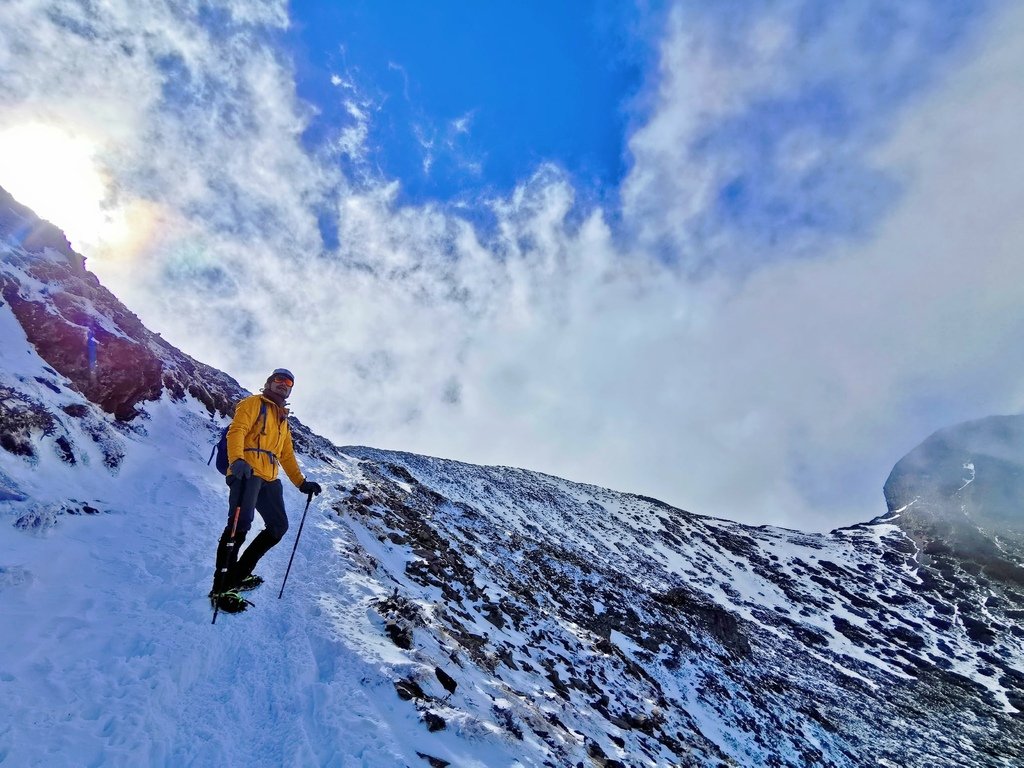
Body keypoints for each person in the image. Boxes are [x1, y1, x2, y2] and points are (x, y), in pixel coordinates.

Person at [210, 368, 322, 612]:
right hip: (246, 472)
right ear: (269, 383)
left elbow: (286, 455)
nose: (283, 384)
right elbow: (237, 430)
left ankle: (238, 575)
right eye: (279, 380)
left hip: (269, 478)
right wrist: (237, 459)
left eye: (288, 382)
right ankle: (220, 588)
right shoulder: (252, 403)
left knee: (278, 526)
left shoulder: (282, 420)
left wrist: (301, 483)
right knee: (239, 526)